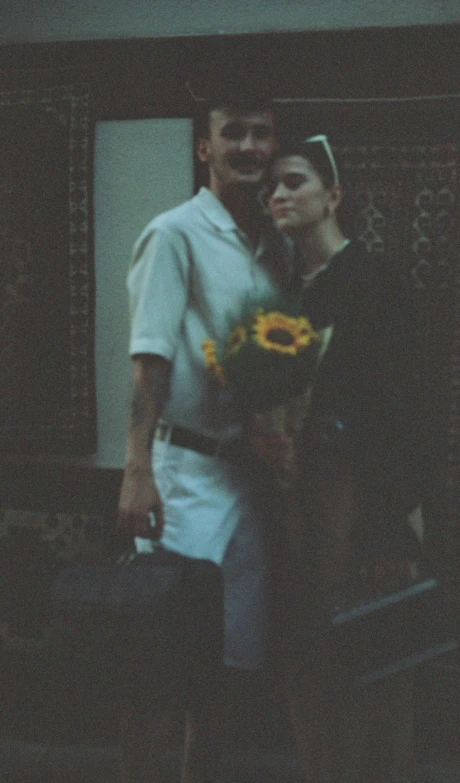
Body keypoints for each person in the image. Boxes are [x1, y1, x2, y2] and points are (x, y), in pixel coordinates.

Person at [116, 86, 288, 783]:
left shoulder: (275, 243)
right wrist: (135, 467)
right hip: (182, 476)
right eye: (234, 133)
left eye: (262, 134)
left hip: (247, 477)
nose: (249, 147)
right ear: (205, 147)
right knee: (161, 669)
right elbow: (149, 356)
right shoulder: (174, 232)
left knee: (228, 671)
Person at [263, 135, 430, 783]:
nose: (279, 194)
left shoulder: (373, 280)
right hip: (299, 506)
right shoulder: (280, 292)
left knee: (375, 671)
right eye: (271, 186)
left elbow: (408, 406)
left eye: (295, 181)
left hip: (365, 503)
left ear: (333, 195)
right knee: (310, 664)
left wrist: (387, 523)